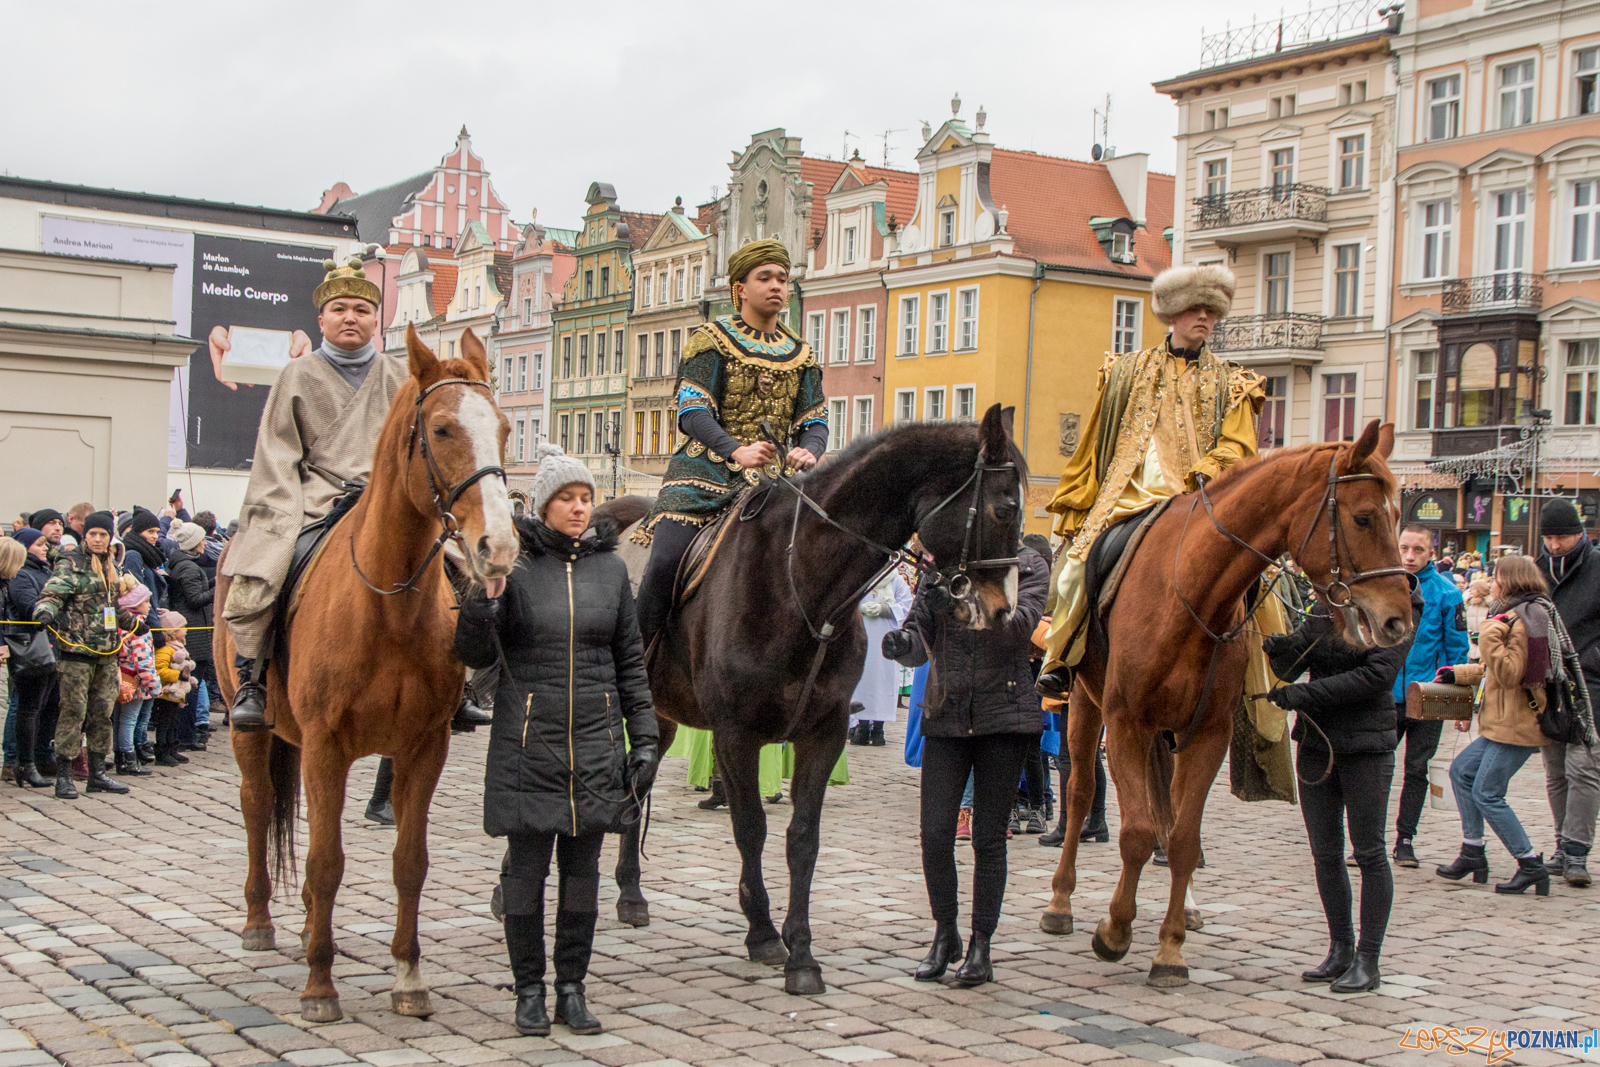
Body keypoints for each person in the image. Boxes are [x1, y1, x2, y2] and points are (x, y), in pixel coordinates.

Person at [220, 259, 489, 734]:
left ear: (374, 320)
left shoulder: (400, 378)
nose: (351, 317)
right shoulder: (297, 375)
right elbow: (277, 453)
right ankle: (253, 677)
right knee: (268, 565)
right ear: (321, 319)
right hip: (313, 498)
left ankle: (461, 682)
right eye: (339, 309)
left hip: (385, 499)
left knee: (462, 569)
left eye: (362, 309)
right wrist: (282, 510)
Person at [453, 448, 658, 1037]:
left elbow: (629, 664)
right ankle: (528, 990)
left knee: (582, 876)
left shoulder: (611, 571)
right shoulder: (514, 565)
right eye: (567, 497)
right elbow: (473, 654)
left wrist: (642, 740)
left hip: (596, 746)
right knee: (525, 874)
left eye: (585, 497)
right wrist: (481, 599)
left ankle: (572, 987)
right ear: (543, 505)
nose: (578, 507)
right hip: (528, 743)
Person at [1035, 264, 1266, 700]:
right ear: (1173, 313)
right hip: (1127, 496)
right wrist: (1082, 497)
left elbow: (1239, 448)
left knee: (1261, 582)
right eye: (1195, 309)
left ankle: (1260, 677)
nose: (1205, 318)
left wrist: (1206, 473)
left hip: (1200, 499)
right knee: (1074, 571)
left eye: (1211, 311)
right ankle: (1061, 660)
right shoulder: (1127, 370)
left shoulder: (1233, 381)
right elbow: (1096, 438)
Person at [631, 238, 828, 650]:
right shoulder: (710, 340)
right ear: (740, 287)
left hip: (777, 484)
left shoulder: (801, 354)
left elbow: (815, 420)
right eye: (766, 278)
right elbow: (692, 411)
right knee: (666, 562)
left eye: (783, 278)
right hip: (704, 476)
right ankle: (635, 661)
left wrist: (810, 449)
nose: (777, 286)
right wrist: (736, 449)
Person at [882, 539, 1048, 988]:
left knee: (987, 838)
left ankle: (982, 945)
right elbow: (919, 642)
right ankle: (945, 933)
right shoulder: (940, 565)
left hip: (1004, 717)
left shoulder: (1026, 564)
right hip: (947, 711)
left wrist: (963, 601)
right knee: (935, 834)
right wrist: (903, 641)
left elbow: (1022, 627)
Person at [1265, 583, 1418, 994]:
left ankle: (1369, 958)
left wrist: (1304, 694)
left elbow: (1377, 676)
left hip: (1366, 745)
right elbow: (1292, 665)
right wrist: (1275, 645)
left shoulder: (1398, 606)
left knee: (1369, 852)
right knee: (1325, 853)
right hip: (1318, 742)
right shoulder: (1326, 604)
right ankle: (1340, 947)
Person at [1435, 554, 1595, 895]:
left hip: (1518, 723)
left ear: (1510, 582)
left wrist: (1489, 635)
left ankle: (1529, 863)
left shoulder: (1524, 620)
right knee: (1462, 771)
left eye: (1496, 577)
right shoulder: (1515, 615)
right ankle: (1472, 850)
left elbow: (1510, 674)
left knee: (1487, 792)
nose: (1491, 583)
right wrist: (1458, 674)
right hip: (1501, 720)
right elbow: (1495, 671)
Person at [31, 510, 145, 799]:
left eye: (102, 534)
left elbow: (112, 606)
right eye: (92, 533)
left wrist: (135, 624)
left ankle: (98, 774)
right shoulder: (71, 563)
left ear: (109, 538)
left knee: (102, 714)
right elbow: (52, 593)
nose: (97, 538)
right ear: (85, 536)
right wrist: (44, 611)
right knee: (72, 714)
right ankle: (64, 777)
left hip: (107, 653)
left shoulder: (109, 566)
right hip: (76, 653)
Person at [1389, 525, 1469, 867]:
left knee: (1416, 769)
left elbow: (1457, 652)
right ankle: (1369, 840)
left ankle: (1405, 839)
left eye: (1418, 550)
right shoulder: (1386, 586)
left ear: (1431, 553)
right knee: (1375, 768)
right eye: (1404, 548)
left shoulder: (1448, 594)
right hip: (1385, 692)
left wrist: (1461, 703)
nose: (1409, 556)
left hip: (1429, 692)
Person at [1534, 499, 1600, 888]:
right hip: (1549, 683)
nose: (1555, 544)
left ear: (1579, 533)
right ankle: (1562, 844)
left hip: (1591, 682)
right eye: (1549, 537)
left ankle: (1577, 851)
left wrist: (1592, 658)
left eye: (1562, 536)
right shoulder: (1539, 570)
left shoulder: (1596, 566)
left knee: (1584, 768)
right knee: (1555, 770)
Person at [7, 529, 60, 782]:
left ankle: (36, 760)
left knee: (42, 706)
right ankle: (21, 764)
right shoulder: (20, 576)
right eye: (39, 544)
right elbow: (28, 608)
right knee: (27, 708)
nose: (45, 548)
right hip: (28, 647)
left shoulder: (44, 571)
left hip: (46, 646)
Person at [165, 521, 215, 747]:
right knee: (192, 685)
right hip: (193, 633)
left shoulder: (185, 565)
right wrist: (219, 588)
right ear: (194, 544)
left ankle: (185, 734)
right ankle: (186, 736)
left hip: (193, 630)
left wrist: (212, 583)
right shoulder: (189, 568)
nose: (205, 543)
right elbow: (195, 599)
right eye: (202, 540)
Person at [849, 572, 912, 746]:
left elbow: (907, 605)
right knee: (863, 681)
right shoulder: (864, 576)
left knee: (883, 682)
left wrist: (885, 610)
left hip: (886, 637)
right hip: (863, 634)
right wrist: (859, 608)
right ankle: (862, 727)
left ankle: (878, 728)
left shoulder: (896, 581)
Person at [113, 580, 160, 778]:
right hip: (134, 682)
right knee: (129, 720)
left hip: (120, 678)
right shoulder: (139, 629)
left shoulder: (119, 626)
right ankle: (128, 758)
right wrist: (154, 686)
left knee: (119, 720)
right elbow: (143, 661)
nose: (150, 605)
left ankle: (119, 756)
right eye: (146, 602)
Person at [151, 610, 196, 767]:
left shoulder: (179, 648)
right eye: (183, 627)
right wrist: (179, 676)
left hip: (177, 694)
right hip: (166, 693)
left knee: (173, 721)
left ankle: (172, 748)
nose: (186, 630)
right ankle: (162, 752)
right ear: (173, 632)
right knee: (164, 722)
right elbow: (159, 669)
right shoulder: (165, 649)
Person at [121, 508, 169, 612]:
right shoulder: (134, 555)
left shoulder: (149, 557)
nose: (155, 536)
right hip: (144, 620)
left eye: (157, 532)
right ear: (138, 533)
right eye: (150, 532)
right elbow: (139, 598)